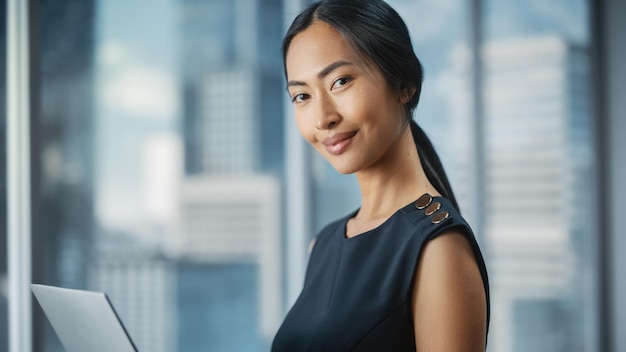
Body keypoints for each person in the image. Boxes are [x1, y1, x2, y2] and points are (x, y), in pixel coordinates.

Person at [272, 0, 490, 350]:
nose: (322, 117)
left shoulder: (438, 249)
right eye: (301, 96)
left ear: (404, 84)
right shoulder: (324, 244)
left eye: (340, 81)